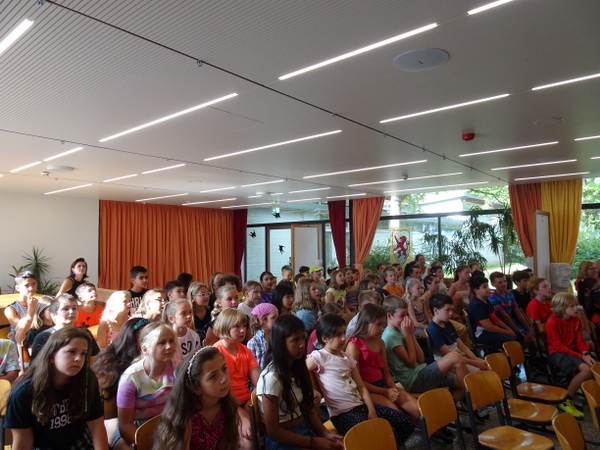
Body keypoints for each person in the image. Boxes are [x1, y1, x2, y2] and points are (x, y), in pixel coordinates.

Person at [307, 314, 414, 444]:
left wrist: (371, 409)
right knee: (375, 433)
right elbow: (302, 370)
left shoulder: (347, 358)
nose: (343, 338)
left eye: (344, 333)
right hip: (342, 414)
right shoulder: (319, 357)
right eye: (338, 335)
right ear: (325, 338)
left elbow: (361, 387)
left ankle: (391, 446)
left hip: (361, 406)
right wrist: (313, 391)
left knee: (406, 422)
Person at [4, 327, 108, 449]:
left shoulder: (86, 379)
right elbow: (22, 444)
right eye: (71, 352)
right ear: (51, 356)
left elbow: (96, 425)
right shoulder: (24, 392)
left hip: (80, 444)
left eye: (83, 353)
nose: (78, 358)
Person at [256, 314, 344, 450]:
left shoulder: (298, 367)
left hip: (303, 426)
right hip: (283, 438)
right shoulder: (271, 378)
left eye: (303, 337)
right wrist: (314, 442)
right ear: (280, 342)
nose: (302, 344)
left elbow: (308, 409)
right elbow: (274, 432)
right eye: (295, 340)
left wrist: (325, 433)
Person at [152, 347, 241, 450]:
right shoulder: (186, 419)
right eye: (213, 376)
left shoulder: (226, 406)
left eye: (224, 369)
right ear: (196, 388)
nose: (224, 379)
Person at [382, 295, 467, 402]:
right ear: (389, 316)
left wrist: (411, 334)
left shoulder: (402, 329)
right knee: (455, 357)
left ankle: (445, 409)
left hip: (422, 370)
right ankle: (471, 397)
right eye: (402, 316)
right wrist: (408, 336)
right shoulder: (390, 336)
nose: (406, 319)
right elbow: (412, 363)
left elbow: (421, 358)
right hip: (413, 380)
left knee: (461, 384)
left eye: (407, 315)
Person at [346, 304, 420, 422]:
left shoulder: (379, 342)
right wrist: (385, 392)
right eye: (378, 324)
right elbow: (357, 382)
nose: (382, 328)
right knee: (398, 416)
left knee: (418, 411)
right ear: (366, 323)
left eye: (383, 325)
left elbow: (386, 373)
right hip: (366, 390)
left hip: (383, 385)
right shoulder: (354, 346)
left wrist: (393, 389)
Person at [114, 322, 177, 450]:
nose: (169, 346)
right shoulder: (131, 378)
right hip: (138, 430)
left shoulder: (176, 369)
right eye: (161, 343)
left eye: (171, 341)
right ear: (145, 349)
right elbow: (125, 425)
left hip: (167, 428)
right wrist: (150, 445)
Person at [91, 318, 149, 445]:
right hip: (116, 420)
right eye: (144, 338)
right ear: (131, 339)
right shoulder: (112, 366)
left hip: (144, 418)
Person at [546, 292, 597, 418]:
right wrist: (582, 357)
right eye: (572, 306)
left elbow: (580, 341)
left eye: (576, 305)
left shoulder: (576, 320)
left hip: (571, 351)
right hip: (557, 353)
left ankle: (592, 396)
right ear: (562, 308)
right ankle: (565, 401)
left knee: (595, 366)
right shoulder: (552, 321)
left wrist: (586, 353)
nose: (576, 308)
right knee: (586, 370)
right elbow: (558, 346)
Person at [212, 309, 258, 445]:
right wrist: (240, 413)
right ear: (225, 327)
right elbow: (217, 393)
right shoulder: (215, 353)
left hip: (246, 400)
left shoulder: (246, 351)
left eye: (244, 326)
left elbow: (259, 382)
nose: (243, 330)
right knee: (249, 438)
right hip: (225, 402)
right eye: (237, 326)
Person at [427, 294, 488, 373]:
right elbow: (449, 355)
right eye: (447, 310)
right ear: (436, 310)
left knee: (488, 366)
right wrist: (476, 363)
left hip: (460, 355)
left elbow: (462, 345)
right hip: (449, 362)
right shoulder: (433, 330)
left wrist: (476, 359)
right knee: (481, 373)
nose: (451, 313)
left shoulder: (448, 323)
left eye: (451, 309)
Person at [31, 294, 99, 359]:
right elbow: (37, 364)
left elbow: (95, 358)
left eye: (74, 308)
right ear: (54, 314)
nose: (71, 312)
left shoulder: (85, 333)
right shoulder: (44, 336)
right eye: (65, 309)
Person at [465, 276, 517, 349]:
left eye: (488, 286)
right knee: (510, 342)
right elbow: (489, 327)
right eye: (484, 287)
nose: (488, 289)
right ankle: (504, 355)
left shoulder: (486, 301)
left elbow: (495, 318)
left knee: (518, 335)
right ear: (476, 290)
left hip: (490, 330)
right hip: (482, 334)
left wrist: (509, 329)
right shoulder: (476, 305)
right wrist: (507, 332)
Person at [5, 270, 38, 341]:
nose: (31, 288)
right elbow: (22, 329)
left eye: (34, 284)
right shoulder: (10, 309)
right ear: (17, 288)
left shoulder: (40, 303)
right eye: (26, 285)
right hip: (22, 341)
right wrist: (30, 309)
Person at [247, 303, 279, 370]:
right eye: (273, 317)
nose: (277, 320)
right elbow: (252, 368)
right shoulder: (253, 343)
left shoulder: (278, 337)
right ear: (263, 320)